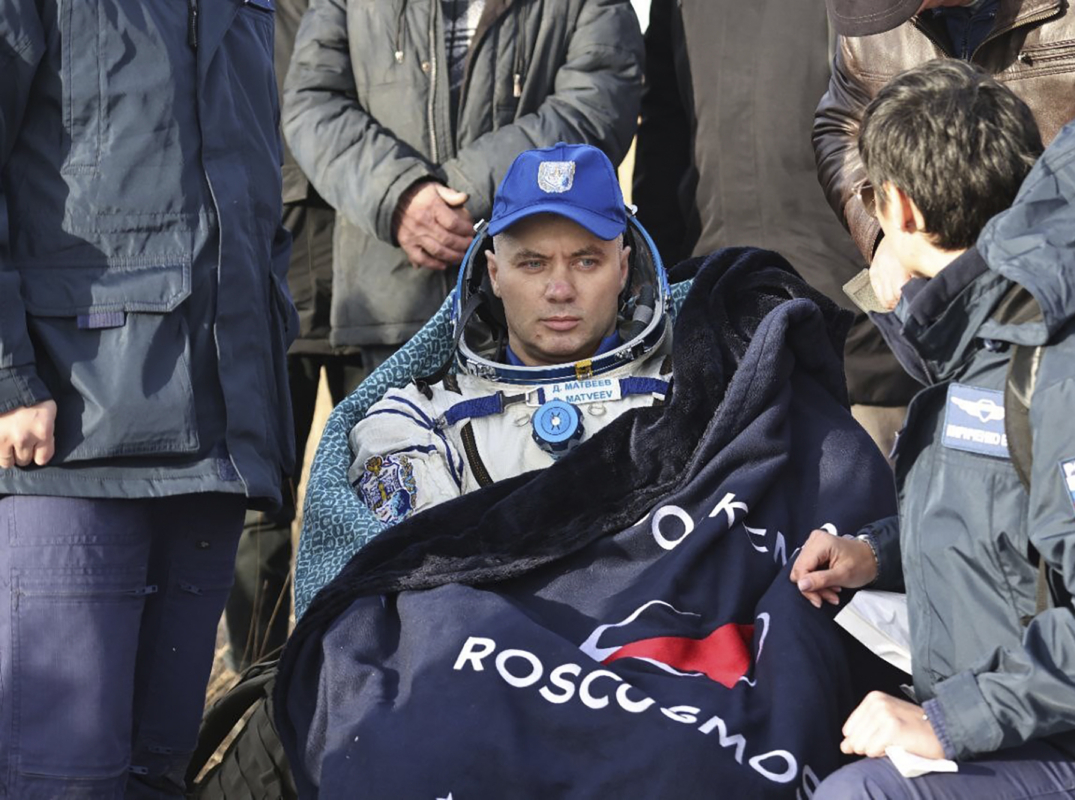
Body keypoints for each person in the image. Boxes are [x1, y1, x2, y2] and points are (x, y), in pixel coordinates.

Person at [793, 61, 1075, 799]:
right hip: (1031, 727)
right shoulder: (985, 333)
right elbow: (1016, 528)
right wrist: (874, 555)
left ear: (899, 208)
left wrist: (947, 724)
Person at [0, 1, 295, 797]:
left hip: (212, 444)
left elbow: (256, 200)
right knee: (56, 773)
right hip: (67, 442)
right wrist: (8, 378)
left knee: (156, 769)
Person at [813, 0, 1075, 456]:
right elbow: (842, 125)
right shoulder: (875, 18)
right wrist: (887, 234)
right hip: (972, 344)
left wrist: (1053, 235)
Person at [283, 0, 644, 372]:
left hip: (544, 322)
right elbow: (312, 100)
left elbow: (597, 102)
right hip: (390, 308)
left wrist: (461, 196)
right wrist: (398, 195)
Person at [632, 0, 920, 457]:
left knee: (874, 518)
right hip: (719, 322)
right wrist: (660, 280)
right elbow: (665, 131)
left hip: (859, 335)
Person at [349, 142, 672, 518]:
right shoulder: (418, 421)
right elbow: (424, 566)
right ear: (495, 274)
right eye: (533, 264)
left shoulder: (692, 394)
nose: (560, 290)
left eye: (586, 261)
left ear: (622, 270)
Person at [224, 0, 366, 673]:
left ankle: (354, 677)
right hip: (266, 267)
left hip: (377, 266)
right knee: (258, 503)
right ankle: (255, 687)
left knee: (382, 491)